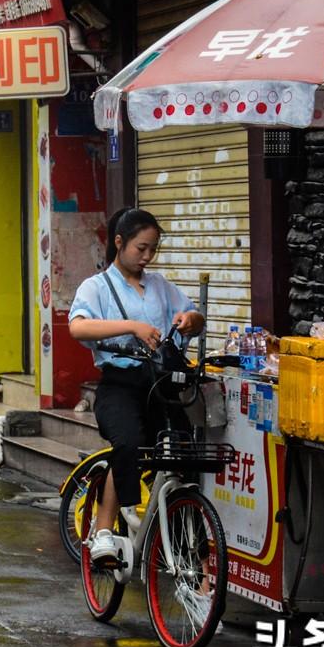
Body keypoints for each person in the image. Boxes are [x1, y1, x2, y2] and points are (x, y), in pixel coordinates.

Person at [66, 207, 206, 569]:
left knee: (182, 452)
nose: (147, 257)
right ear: (119, 243)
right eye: (141, 248)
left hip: (160, 384)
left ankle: (182, 537)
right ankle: (103, 531)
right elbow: (78, 328)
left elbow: (195, 317)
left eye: (152, 250)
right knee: (127, 443)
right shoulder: (96, 287)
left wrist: (190, 320)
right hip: (120, 384)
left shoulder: (160, 285)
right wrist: (131, 326)